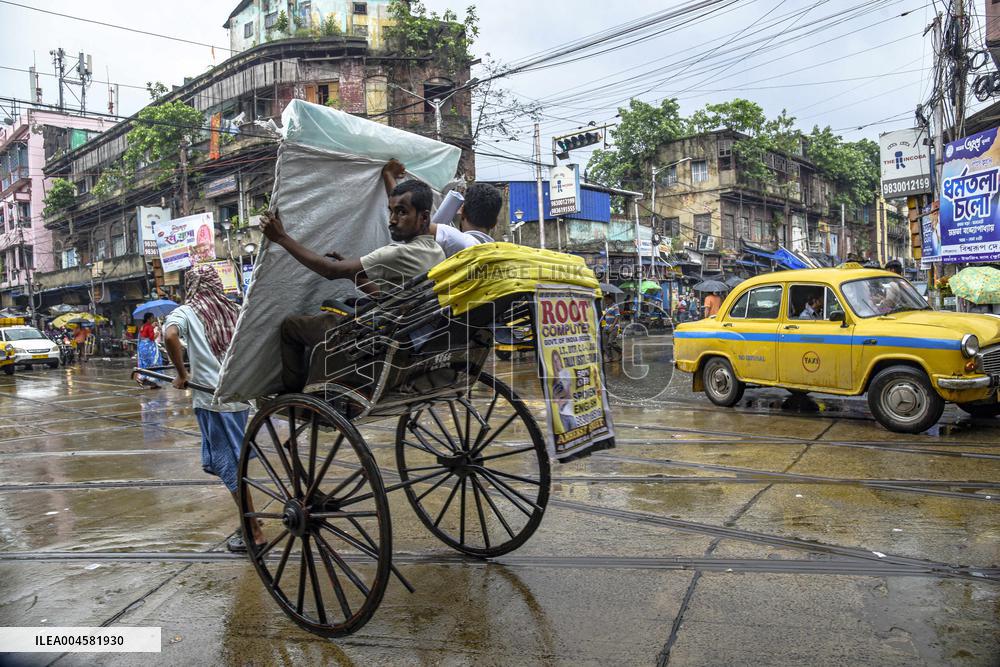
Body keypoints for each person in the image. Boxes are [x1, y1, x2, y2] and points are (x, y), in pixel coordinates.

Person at [261, 165, 446, 393]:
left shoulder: (398, 253)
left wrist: (281, 237)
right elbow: (392, 298)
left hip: (374, 338)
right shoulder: (436, 251)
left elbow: (329, 271)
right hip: (403, 335)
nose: (392, 220)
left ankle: (293, 396)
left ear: (424, 217)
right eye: (391, 211)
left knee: (291, 327)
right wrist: (355, 276)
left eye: (401, 212)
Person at [163, 264, 264, 553]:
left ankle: (253, 530)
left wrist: (182, 374)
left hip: (213, 399)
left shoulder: (187, 311)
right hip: (240, 395)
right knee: (236, 459)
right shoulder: (233, 309)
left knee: (229, 463)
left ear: (191, 286)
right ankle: (249, 520)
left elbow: (170, 336)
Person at [382, 160, 503, 257]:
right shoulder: (496, 253)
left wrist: (388, 175)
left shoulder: (455, 240)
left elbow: (411, 220)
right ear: (495, 223)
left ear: (462, 212)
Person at [136, 313, 163, 388]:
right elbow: (152, 338)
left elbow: (143, 335)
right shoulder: (149, 327)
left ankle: (144, 378)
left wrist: (152, 326)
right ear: (148, 319)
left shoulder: (143, 326)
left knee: (145, 364)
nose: (153, 319)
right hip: (149, 348)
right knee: (155, 363)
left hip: (142, 348)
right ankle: (153, 381)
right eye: (152, 318)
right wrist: (157, 333)